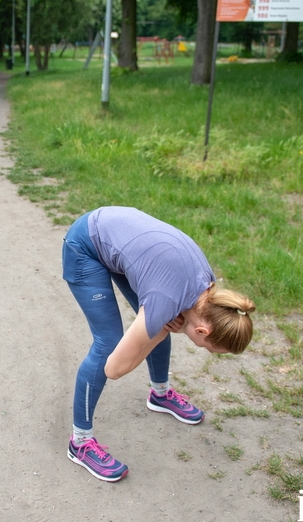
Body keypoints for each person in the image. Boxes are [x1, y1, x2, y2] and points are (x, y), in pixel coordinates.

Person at [62, 206, 255, 482]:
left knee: (161, 322)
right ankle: (79, 443)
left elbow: (162, 316)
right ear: (202, 330)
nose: (204, 349)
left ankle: (160, 394)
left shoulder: (207, 291)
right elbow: (114, 368)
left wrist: (160, 327)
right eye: (208, 348)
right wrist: (161, 331)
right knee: (110, 344)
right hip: (86, 245)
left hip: (121, 240)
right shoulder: (166, 299)